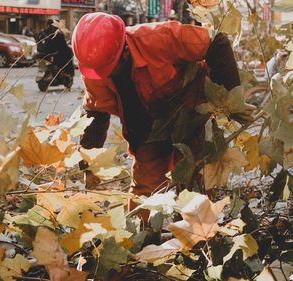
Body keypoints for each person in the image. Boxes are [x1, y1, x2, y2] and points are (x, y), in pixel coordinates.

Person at [72, 13, 254, 222]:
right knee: (145, 190)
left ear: (123, 49)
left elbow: (217, 42)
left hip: (190, 114)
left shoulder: (159, 38)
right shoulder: (95, 71)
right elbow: (96, 116)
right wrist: (89, 165)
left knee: (194, 181)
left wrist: (232, 97)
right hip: (145, 127)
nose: (105, 75)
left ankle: (197, 236)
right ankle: (142, 238)